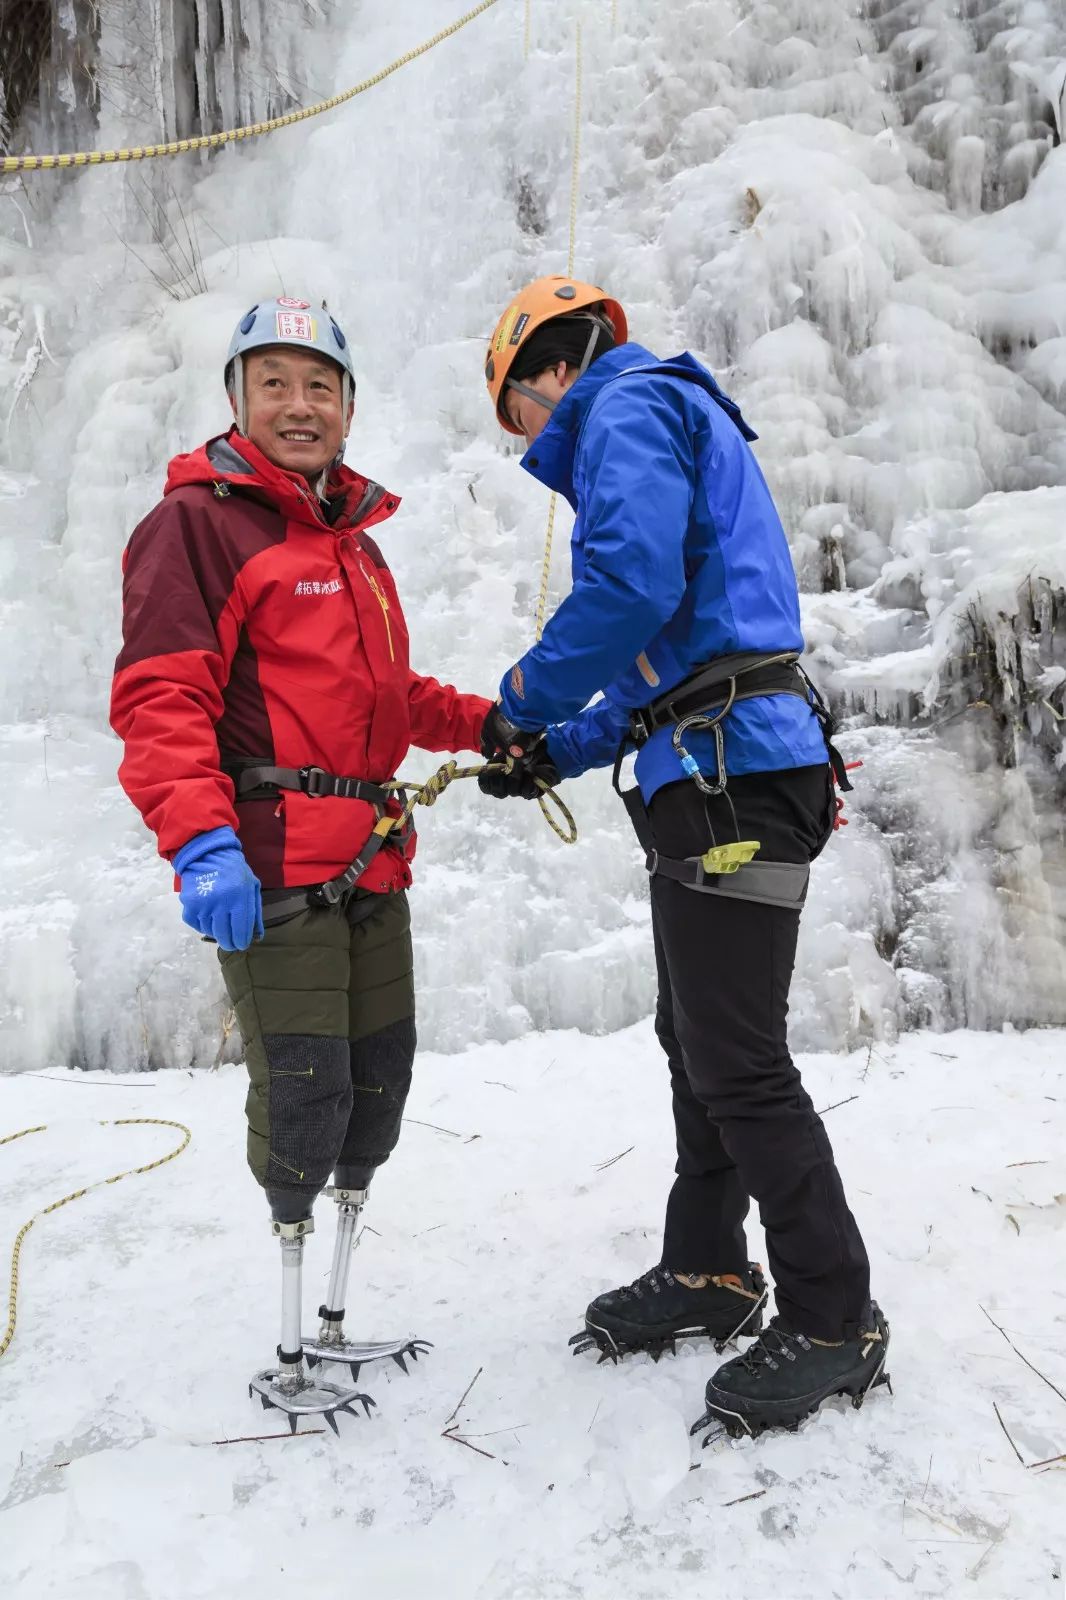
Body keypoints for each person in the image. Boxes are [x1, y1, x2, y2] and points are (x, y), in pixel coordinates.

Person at [477, 275, 889, 1439]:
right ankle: (708, 1264)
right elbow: (671, 658)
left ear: (538, 372)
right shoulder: (654, 411)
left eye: (511, 414)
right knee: (695, 1038)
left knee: (737, 1058)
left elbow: (628, 587)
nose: (522, 441)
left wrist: (518, 697)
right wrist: (549, 746)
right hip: (712, 756)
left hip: (731, 771)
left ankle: (833, 1313)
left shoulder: (622, 404)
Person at [110, 296, 490, 1427]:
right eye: (272, 382)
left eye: (318, 384)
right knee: (306, 1097)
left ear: (348, 405)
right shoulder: (197, 526)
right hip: (273, 867)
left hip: (373, 862)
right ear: (235, 399)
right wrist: (203, 842)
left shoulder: (352, 544)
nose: (298, 404)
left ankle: (332, 1322)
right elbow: (160, 694)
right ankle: (287, 1354)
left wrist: (495, 724)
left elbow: (391, 701)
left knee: (380, 1085)